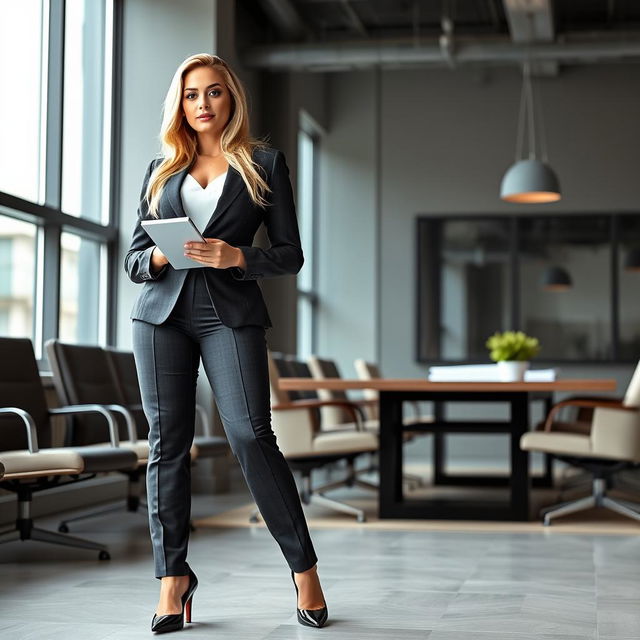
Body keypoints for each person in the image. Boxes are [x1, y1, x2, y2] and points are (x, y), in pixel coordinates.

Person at [124, 53, 327, 633]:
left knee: (249, 433)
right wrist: (160, 254)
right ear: (179, 104)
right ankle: (173, 579)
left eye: (213, 93)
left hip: (230, 313)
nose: (202, 104)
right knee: (168, 443)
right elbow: (135, 259)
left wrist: (239, 255)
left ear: (230, 98)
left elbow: (290, 253)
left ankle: (303, 568)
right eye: (191, 95)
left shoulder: (264, 162)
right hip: (161, 316)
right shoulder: (159, 169)